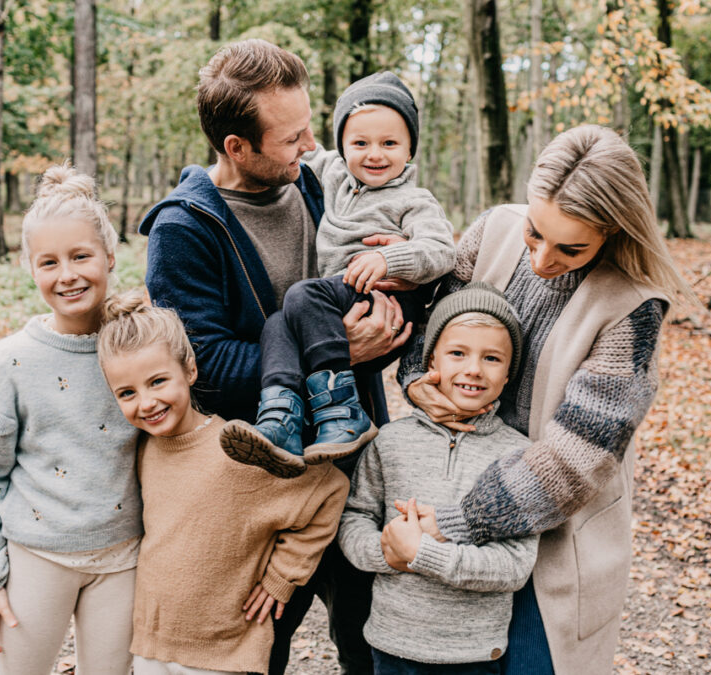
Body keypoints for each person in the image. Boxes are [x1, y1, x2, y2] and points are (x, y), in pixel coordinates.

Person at [138, 39, 402, 673]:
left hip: (357, 455)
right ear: (237, 147)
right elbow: (204, 366)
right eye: (292, 137)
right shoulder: (184, 231)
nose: (311, 145)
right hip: (267, 480)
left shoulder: (319, 186)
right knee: (261, 646)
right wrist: (336, 351)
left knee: (372, 641)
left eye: (310, 126)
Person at [395, 125, 697, 675]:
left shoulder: (632, 307)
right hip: (448, 495)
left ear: (613, 230)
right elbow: (428, 336)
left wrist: (457, 523)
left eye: (571, 248)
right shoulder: (491, 231)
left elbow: (573, 462)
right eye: (536, 233)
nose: (540, 259)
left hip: (554, 542)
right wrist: (419, 381)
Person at [0, 163, 141, 673]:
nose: (68, 275)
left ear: (109, 255)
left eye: (81, 256)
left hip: (124, 557)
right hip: (37, 557)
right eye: (49, 262)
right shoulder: (12, 361)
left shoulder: (140, 345)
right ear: (30, 268)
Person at [96, 291, 349, 675]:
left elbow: (329, 489)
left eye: (158, 381)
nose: (146, 402)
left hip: (225, 652)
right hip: (152, 646)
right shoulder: (144, 450)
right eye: (127, 393)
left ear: (190, 370)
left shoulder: (238, 448)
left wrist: (283, 576)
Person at [220, 71, 456, 477]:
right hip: (338, 295)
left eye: (389, 143)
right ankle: (281, 416)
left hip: (386, 297)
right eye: (359, 143)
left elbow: (441, 250)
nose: (374, 154)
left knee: (300, 296)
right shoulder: (334, 176)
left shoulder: (415, 200)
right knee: (278, 323)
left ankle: (342, 408)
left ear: (410, 148)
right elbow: (286, 147)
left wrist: (390, 261)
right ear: (342, 146)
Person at [339, 283, 539, 673]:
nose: (473, 369)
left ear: (508, 374)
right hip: (392, 642)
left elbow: (515, 565)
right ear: (432, 361)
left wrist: (424, 554)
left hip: (474, 654)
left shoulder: (521, 456)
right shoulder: (390, 441)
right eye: (458, 353)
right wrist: (388, 551)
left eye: (492, 358)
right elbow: (353, 518)